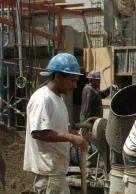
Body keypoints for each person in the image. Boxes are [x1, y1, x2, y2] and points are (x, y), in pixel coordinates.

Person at [23, 53, 91, 194]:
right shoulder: (42, 99)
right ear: (58, 76)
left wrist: (78, 135)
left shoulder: (58, 99)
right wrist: (71, 138)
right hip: (48, 172)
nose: (75, 85)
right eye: (72, 80)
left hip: (56, 171)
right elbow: (39, 133)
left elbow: (61, 130)